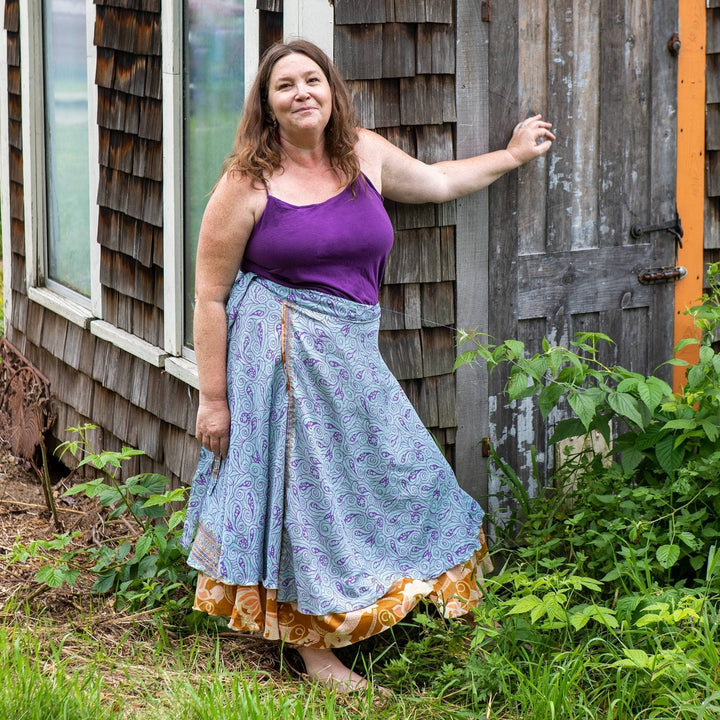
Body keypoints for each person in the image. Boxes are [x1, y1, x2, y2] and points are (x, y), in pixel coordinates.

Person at [181, 39, 555, 695]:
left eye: (311, 80)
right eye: (284, 86)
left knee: (405, 472)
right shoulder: (247, 181)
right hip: (282, 362)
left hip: (351, 353)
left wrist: (513, 155)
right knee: (303, 500)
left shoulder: (365, 154)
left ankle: (410, 606)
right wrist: (214, 400)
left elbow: (439, 183)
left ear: (331, 89)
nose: (301, 93)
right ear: (266, 106)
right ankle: (316, 652)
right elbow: (209, 296)